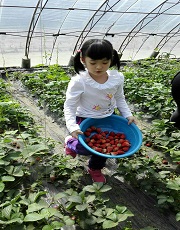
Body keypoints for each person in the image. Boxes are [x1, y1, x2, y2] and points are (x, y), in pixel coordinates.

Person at [63, 39, 136, 183]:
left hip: (108, 117)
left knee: (103, 150)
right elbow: (70, 105)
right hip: (84, 118)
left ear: (111, 59)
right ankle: (70, 142)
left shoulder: (116, 78)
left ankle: (95, 168)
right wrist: (72, 127)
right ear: (83, 59)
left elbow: (120, 98)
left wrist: (128, 114)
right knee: (83, 148)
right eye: (93, 62)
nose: (99, 67)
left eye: (104, 62)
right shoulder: (79, 81)